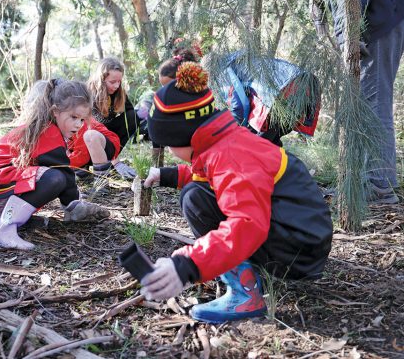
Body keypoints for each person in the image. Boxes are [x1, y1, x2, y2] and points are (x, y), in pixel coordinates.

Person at [139, 62, 333, 324]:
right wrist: (168, 176)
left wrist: (186, 266)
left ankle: (245, 295)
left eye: (168, 144)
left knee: (195, 199)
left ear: (182, 136)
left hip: (298, 249)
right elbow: (214, 177)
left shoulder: (230, 156)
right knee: (197, 191)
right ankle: (252, 274)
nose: (171, 151)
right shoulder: (225, 140)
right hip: (298, 233)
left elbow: (247, 224)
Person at [0, 79, 110, 250]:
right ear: (55, 112)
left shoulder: (48, 129)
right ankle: (3, 231)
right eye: (74, 117)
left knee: (53, 177)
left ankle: (11, 218)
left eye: (82, 120)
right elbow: (63, 172)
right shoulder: (48, 132)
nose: (78, 125)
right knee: (54, 178)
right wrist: (73, 205)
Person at [311, 0, 403, 204]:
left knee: (374, 103)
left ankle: (378, 185)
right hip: (382, 19)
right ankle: (369, 180)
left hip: (377, 24)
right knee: (370, 102)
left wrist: (348, 36)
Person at [87, 57, 138, 179]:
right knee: (93, 133)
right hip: (90, 137)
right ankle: (102, 163)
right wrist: (117, 161)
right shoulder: (88, 93)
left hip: (107, 134)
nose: (116, 85)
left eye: (119, 81)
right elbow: (90, 125)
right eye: (112, 82)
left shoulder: (118, 92)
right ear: (101, 79)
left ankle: (111, 157)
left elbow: (130, 112)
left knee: (133, 117)